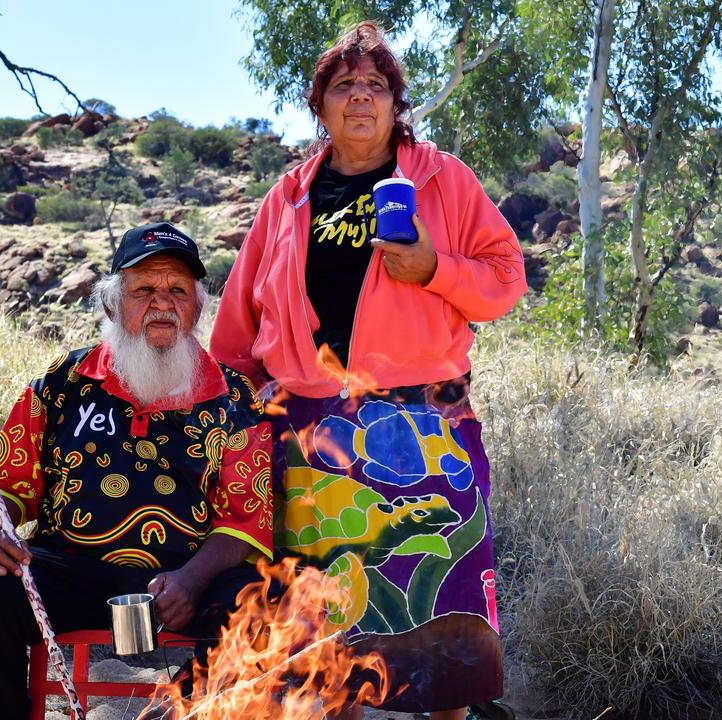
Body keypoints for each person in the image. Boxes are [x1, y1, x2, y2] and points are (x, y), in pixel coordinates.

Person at [210, 20, 525, 720]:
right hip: (312, 437)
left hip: (426, 429)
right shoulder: (288, 196)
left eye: (376, 85)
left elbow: (505, 278)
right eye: (343, 86)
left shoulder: (441, 179)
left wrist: (433, 268)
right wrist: (246, 400)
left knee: (447, 619)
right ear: (320, 106)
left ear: (395, 103)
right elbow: (237, 326)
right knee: (328, 629)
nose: (360, 98)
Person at [0, 222, 274, 720]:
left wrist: (190, 581)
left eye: (177, 290)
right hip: (71, 570)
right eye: (143, 290)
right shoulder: (65, 381)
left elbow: (246, 521)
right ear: (111, 304)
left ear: (198, 306)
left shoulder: (233, 397)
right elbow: (5, 484)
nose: (162, 303)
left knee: (258, 599)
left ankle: (198, 712)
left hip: (185, 575)